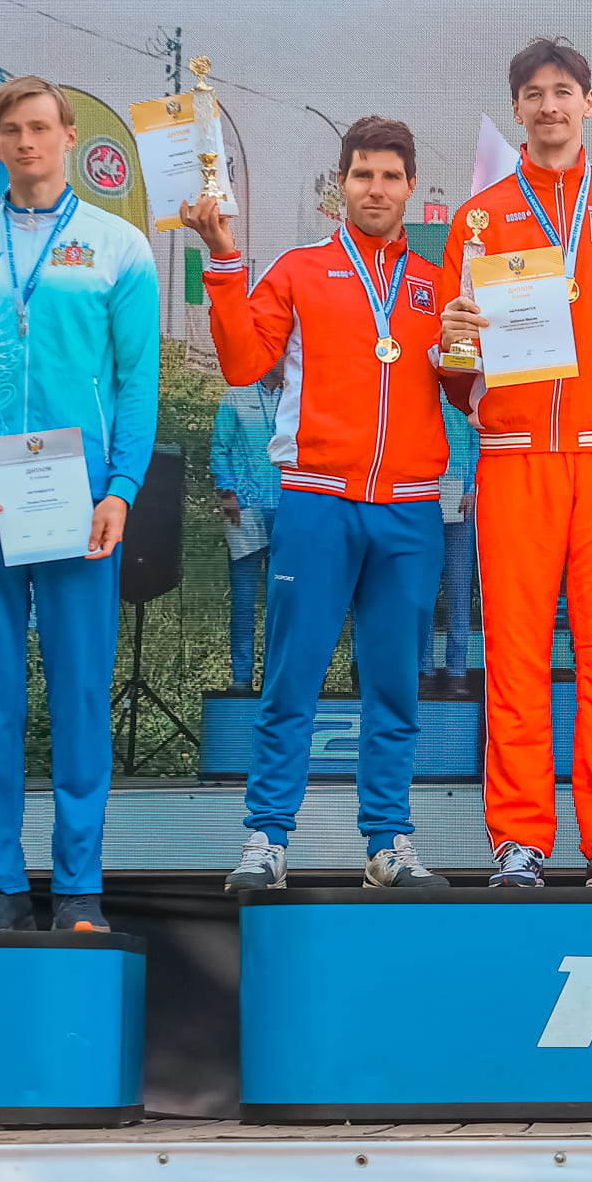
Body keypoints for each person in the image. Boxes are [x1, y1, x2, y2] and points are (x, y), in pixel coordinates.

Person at [0, 76, 161, 932]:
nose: (27, 142)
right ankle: (0, 888)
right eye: (12, 130)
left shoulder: (119, 246)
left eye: (40, 128)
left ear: (67, 137)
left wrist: (121, 490)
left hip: (76, 501)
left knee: (81, 696)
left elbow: (136, 383)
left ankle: (79, 890)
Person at [437, 38, 592, 889]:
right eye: (534, 93)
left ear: (589, 103)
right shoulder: (478, 218)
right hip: (514, 457)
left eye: (564, 91)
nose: (550, 105)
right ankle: (520, 840)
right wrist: (455, 343)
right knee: (515, 651)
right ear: (517, 107)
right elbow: (453, 365)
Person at [192, 117, 452, 893]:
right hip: (318, 502)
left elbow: (471, 391)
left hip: (409, 510)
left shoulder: (440, 285)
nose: (376, 189)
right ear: (342, 183)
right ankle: (267, 838)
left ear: (410, 187)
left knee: (394, 684)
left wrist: (485, 344)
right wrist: (224, 261)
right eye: (363, 174)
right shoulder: (300, 269)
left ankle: (389, 842)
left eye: (390, 176)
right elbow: (243, 360)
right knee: (292, 677)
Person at [212, 365, 284, 692]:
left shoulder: (298, 397)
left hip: (287, 511)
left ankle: (274, 678)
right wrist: (228, 493)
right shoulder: (236, 395)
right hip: (246, 511)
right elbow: (220, 448)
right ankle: (241, 678)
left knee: (281, 600)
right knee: (244, 601)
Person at [422, 393, 481, 699]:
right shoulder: (419, 394)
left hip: (460, 500)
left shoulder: (467, 394)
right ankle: (425, 669)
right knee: (424, 591)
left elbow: (478, 445)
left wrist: (472, 489)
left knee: (458, 591)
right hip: (424, 498)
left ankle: (457, 671)